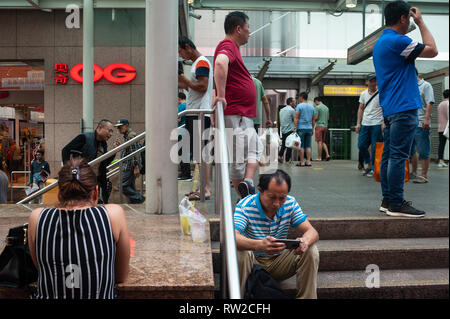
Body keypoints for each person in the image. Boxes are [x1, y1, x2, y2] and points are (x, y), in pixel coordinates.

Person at [27, 158, 130, 299]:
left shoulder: (38, 218)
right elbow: (120, 276)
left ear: (59, 195)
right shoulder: (113, 215)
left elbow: (43, 268)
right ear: (95, 193)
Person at [373, 0, 437, 217]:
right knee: (399, 157)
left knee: (391, 156)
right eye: (408, 17)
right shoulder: (398, 41)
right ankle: (397, 203)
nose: (410, 20)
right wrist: (421, 23)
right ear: (402, 18)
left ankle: (388, 200)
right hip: (404, 107)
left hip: (391, 108)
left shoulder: (382, 41)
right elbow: (432, 50)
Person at [234, 169, 320, 299]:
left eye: (282, 198)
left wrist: (305, 241)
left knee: (311, 249)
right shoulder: (245, 206)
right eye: (272, 197)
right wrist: (259, 245)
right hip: (252, 265)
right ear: (260, 190)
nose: (277, 203)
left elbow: (312, 232)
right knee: (241, 252)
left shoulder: (290, 203)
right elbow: (231, 237)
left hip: (279, 262)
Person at [213, 11, 263, 198]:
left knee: (252, 150)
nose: (249, 33)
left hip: (241, 114)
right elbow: (219, 64)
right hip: (236, 113)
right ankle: (245, 197)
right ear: (238, 29)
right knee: (239, 158)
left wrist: (218, 98)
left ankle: (247, 184)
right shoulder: (228, 45)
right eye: (248, 29)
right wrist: (222, 97)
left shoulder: (231, 47)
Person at [178, 36, 214, 198]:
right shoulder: (197, 64)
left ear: (188, 47)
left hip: (199, 114)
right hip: (196, 113)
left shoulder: (201, 62)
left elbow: (202, 86)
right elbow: (194, 88)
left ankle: (205, 189)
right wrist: (183, 82)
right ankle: (202, 187)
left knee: (202, 154)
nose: (180, 55)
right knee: (199, 155)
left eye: (180, 51)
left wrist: (185, 80)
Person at [62, 119, 115, 204]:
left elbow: (104, 163)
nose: (111, 134)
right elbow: (65, 150)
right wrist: (69, 170)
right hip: (82, 179)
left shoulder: (103, 143)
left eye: (112, 132)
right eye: (109, 131)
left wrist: (113, 151)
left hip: (96, 180)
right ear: (100, 128)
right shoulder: (84, 138)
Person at [355, 74, 384, 178]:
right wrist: (358, 123)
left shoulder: (381, 92)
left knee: (376, 147)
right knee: (361, 145)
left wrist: (384, 122)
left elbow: (385, 108)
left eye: (375, 81)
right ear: (367, 82)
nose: (373, 83)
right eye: (371, 81)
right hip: (365, 123)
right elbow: (361, 108)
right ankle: (368, 163)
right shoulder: (363, 94)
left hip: (377, 123)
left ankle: (373, 168)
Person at [410, 68, 435, 183]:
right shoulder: (409, 86)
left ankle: (424, 175)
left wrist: (426, 119)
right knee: (412, 150)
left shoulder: (426, 85)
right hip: (410, 122)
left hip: (421, 122)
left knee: (423, 150)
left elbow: (430, 102)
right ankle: (414, 173)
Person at [114, 119, 145, 204]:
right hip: (128, 165)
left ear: (126, 126)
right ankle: (136, 203)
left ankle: (140, 199)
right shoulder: (128, 135)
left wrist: (136, 167)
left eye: (120, 126)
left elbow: (135, 152)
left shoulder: (131, 135)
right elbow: (130, 150)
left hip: (129, 166)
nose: (119, 129)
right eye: (118, 127)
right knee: (130, 186)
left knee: (121, 185)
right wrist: (120, 146)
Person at [293, 92, 315, 167]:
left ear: (301, 97)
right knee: (308, 146)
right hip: (309, 128)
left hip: (301, 128)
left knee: (301, 146)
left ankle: (302, 162)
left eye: (299, 97)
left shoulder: (299, 106)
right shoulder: (312, 107)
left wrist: (295, 128)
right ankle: (308, 162)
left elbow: (296, 118)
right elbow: (313, 120)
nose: (299, 99)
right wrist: (312, 129)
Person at [177, 92, 192, 181]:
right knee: (185, 153)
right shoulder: (189, 105)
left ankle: (185, 175)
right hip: (188, 131)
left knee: (182, 154)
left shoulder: (180, 107)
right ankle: (186, 174)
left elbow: (178, 119)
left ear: (179, 98)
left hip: (181, 132)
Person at [312, 96, 331, 162]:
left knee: (319, 142)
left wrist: (313, 122)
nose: (315, 104)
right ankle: (327, 155)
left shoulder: (317, 107)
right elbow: (328, 118)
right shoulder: (326, 108)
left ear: (316, 101)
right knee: (322, 141)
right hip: (325, 126)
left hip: (319, 126)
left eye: (315, 102)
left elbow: (316, 118)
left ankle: (319, 157)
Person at [278, 97, 296, 163]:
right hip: (290, 130)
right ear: (291, 103)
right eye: (294, 101)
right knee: (289, 145)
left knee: (284, 144)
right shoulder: (292, 110)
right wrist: (295, 128)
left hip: (283, 130)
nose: (295, 102)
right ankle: (287, 160)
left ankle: (280, 155)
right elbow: (295, 120)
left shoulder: (281, 110)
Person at [437, 89, 449, 167]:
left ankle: (440, 161)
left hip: (440, 127)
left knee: (441, 144)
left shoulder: (440, 104)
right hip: (447, 127)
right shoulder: (448, 104)